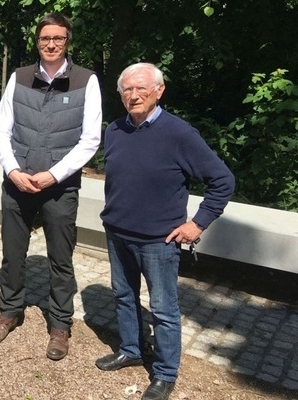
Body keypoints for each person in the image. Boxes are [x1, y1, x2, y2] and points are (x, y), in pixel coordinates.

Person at [95, 63, 235, 400]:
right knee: (124, 296)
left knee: (163, 309)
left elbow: (223, 181)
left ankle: (165, 373)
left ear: (159, 90)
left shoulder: (179, 134)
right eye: (127, 89)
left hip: (159, 241)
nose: (133, 94)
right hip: (118, 233)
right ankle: (130, 349)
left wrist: (197, 223)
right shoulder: (115, 130)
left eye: (141, 88)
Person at [0, 13, 102, 361]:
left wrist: (55, 174)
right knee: (12, 254)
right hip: (18, 182)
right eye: (44, 39)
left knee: (60, 260)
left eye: (58, 39)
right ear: (37, 42)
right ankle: (10, 311)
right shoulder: (20, 77)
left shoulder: (87, 80)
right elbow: (1, 131)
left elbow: (90, 139)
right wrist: (12, 170)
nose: (51, 44)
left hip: (60, 188)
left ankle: (60, 324)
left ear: (68, 41)